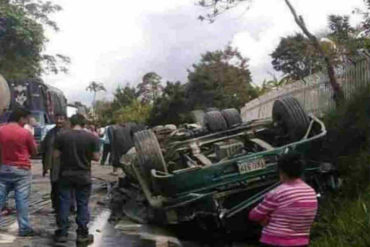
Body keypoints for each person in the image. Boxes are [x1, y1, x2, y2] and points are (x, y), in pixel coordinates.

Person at [249, 152, 318, 247]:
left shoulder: (277, 192)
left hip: (274, 241)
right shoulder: (311, 192)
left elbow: (254, 215)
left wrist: (266, 218)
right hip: (301, 242)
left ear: (282, 172)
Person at [53, 114, 100, 244]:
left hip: (66, 175)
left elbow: (55, 155)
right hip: (83, 175)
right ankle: (82, 234)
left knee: (64, 203)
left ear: (71, 123)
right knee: (82, 204)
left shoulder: (62, 136)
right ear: (84, 123)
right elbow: (96, 157)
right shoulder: (92, 137)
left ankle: (62, 233)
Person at [0, 108, 37, 236]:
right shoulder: (25, 133)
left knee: (0, 197)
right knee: (22, 200)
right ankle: (24, 228)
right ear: (21, 118)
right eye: (26, 119)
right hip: (21, 170)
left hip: (3, 168)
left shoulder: (1, 130)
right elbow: (34, 151)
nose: (27, 121)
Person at [41, 112, 68, 213]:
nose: (59, 121)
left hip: (67, 166)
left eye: (61, 118)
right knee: (55, 187)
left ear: (65, 120)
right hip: (54, 166)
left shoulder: (69, 133)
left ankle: (68, 207)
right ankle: (56, 207)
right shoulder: (50, 133)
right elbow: (44, 150)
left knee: (67, 188)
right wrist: (45, 167)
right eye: (57, 118)